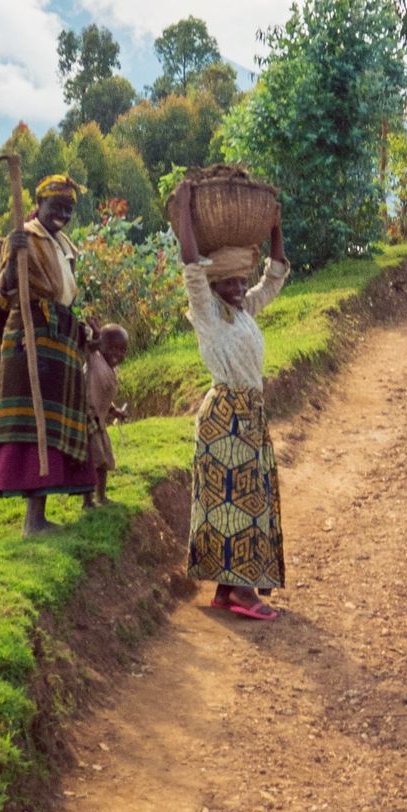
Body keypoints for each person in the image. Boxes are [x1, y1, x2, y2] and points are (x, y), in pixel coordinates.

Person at [168, 179, 290, 621]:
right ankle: (240, 592)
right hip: (226, 417)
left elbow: (274, 275)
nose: (239, 287)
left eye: (241, 281)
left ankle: (227, 588)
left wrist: (275, 223)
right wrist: (184, 209)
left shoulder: (241, 313)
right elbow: (191, 266)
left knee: (243, 496)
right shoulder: (208, 314)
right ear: (216, 286)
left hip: (249, 416)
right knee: (238, 500)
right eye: (230, 282)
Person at [0, 173, 97, 534]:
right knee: (36, 423)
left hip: (61, 336)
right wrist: (10, 261)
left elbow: (67, 292)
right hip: (32, 333)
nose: (62, 214)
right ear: (39, 205)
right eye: (56, 207)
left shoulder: (65, 244)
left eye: (68, 209)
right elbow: (3, 293)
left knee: (55, 425)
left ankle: (45, 514)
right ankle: (32, 521)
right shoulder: (23, 237)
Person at [85, 324, 129, 506]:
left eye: (122, 349)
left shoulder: (112, 370)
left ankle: (101, 496)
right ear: (100, 346)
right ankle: (87, 500)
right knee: (92, 461)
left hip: (100, 421)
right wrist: (95, 334)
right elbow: (87, 347)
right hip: (87, 417)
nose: (116, 353)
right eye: (111, 347)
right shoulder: (94, 360)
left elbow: (102, 396)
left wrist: (115, 411)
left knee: (104, 460)